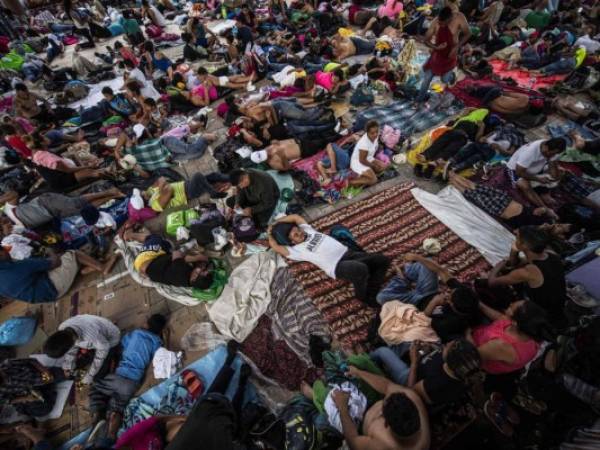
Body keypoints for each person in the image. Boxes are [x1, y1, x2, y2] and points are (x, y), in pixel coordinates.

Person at [268, 214, 390, 306]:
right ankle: (363, 297)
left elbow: (295, 217)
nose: (300, 233)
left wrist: (275, 224)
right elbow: (275, 246)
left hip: (349, 253)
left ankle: (372, 288)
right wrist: (270, 232)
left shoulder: (309, 230)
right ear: (291, 242)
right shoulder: (295, 251)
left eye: (298, 230)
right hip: (336, 266)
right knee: (360, 269)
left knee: (383, 260)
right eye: (296, 235)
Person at [308, 368, 430, 449]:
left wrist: (342, 407)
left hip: (355, 423)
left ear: (386, 423)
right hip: (366, 402)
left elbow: (353, 440)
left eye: (382, 413)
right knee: (348, 368)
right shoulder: (413, 398)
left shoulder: (382, 446)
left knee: (319, 420)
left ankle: (311, 391)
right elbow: (387, 386)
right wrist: (359, 372)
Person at [88, 314, 166, 442]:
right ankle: (111, 429)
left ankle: (98, 413)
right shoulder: (157, 341)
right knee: (118, 406)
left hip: (120, 375)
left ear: (146, 324)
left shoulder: (136, 333)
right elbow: (159, 353)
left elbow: (122, 345)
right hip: (133, 382)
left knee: (97, 389)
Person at [165, 341, 252, 450]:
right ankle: (241, 382)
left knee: (211, 402)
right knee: (229, 420)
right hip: (216, 431)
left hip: (203, 419)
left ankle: (231, 362)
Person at [485, 226, 567, 326]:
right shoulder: (550, 253)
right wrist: (514, 250)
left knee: (487, 285)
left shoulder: (528, 272)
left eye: (517, 237)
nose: (515, 237)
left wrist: (498, 265)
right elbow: (515, 263)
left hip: (544, 315)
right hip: (559, 305)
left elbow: (492, 282)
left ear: (524, 246)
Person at [370, 339, 483, 406]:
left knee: (382, 351)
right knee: (403, 341)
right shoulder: (460, 367)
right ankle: (395, 353)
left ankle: (369, 357)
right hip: (421, 361)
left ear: (449, 360)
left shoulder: (436, 385)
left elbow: (410, 393)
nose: (447, 343)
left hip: (409, 376)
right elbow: (437, 351)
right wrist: (429, 347)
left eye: (448, 347)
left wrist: (414, 362)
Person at [468, 300, 554, 374]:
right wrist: (479, 303)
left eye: (511, 307)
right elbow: (501, 318)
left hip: (474, 352)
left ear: (514, 322)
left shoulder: (502, 346)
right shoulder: (530, 331)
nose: (510, 304)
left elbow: (472, 356)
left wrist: (466, 332)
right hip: (482, 333)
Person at [0, 248, 115, 303]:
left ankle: (86, 268)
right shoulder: (18, 266)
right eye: (5, 251)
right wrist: (51, 252)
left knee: (67, 261)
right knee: (73, 253)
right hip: (53, 288)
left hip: (46, 297)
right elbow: (56, 263)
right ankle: (102, 267)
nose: (8, 252)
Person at [43, 314, 121, 385]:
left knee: (98, 377)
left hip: (110, 340)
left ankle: (115, 354)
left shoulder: (92, 336)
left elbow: (103, 349)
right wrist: (68, 365)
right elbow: (71, 347)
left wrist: (90, 375)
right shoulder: (62, 328)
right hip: (96, 331)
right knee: (80, 359)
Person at [0, 188, 123, 230]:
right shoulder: (12, 231)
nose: (4, 223)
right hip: (52, 214)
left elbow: (13, 194)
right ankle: (113, 195)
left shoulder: (7, 209)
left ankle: (109, 191)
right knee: (83, 210)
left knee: (76, 202)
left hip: (46, 202)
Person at [505, 137, 566, 209]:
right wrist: (538, 179)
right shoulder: (530, 152)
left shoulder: (553, 150)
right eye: (551, 154)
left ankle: (544, 193)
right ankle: (545, 208)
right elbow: (519, 172)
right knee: (525, 186)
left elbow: (553, 170)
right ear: (546, 147)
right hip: (515, 169)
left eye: (554, 154)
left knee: (559, 173)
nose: (552, 156)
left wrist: (555, 175)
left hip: (534, 169)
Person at [416, 7, 458, 103]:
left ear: (449, 19)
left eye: (443, 23)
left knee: (444, 79)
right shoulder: (436, 23)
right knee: (426, 79)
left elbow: (468, 34)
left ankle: (452, 76)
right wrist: (436, 48)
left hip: (449, 59)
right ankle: (418, 100)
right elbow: (426, 40)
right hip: (436, 56)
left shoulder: (457, 22)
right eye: (440, 22)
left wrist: (456, 48)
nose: (441, 24)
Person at [350, 120, 387, 187]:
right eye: (372, 133)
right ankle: (352, 182)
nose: (375, 135)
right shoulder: (364, 144)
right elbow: (362, 160)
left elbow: (370, 154)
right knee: (373, 180)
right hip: (358, 162)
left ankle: (366, 175)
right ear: (367, 133)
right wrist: (373, 165)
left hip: (368, 158)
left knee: (384, 166)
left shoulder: (375, 137)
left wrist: (375, 164)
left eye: (376, 132)